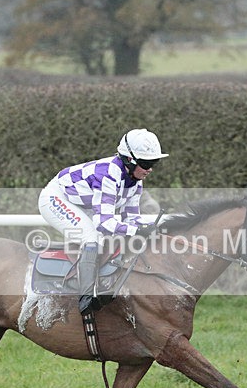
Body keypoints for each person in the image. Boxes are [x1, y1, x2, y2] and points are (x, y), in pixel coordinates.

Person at [38, 128, 167, 315]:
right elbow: (104, 223)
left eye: (154, 163)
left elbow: (131, 218)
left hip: (82, 203)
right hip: (56, 198)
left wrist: (147, 228)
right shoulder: (108, 175)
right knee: (92, 238)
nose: (150, 169)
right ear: (129, 160)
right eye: (146, 163)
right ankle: (86, 296)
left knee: (107, 237)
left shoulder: (135, 180)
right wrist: (136, 231)